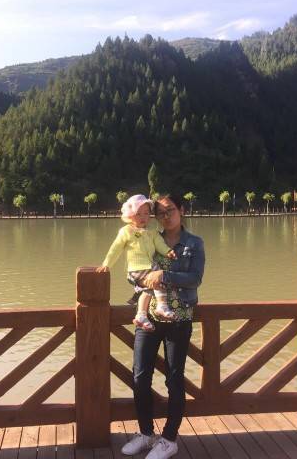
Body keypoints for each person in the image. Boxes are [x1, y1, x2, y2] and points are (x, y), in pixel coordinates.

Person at [121, 195, 205, 459]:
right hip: (148, 318)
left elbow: (195, 278)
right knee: (140, 376)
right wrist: (141, 277)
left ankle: (169, 439)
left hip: (179, 319)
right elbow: (133, 269)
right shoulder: (147, 238)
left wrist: (164, 275)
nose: (165, 216)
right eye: (160, 213)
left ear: (182, 210)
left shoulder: (194, 243)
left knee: (174, 379)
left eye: (170, 210)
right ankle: (146, 433)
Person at [97, 194, 177, 331]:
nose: (143, 217)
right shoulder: (126, 231)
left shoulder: (152, 232)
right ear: (130, 215)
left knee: (148, 290)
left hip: (150, 267)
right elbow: (115, 248)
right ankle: (162, 306)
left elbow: (160, 244)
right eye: (138, 214)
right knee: (159, 280)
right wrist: (106, 264)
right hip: (136, 269)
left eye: (146, 213)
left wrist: (168, 251)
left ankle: (141, 315)